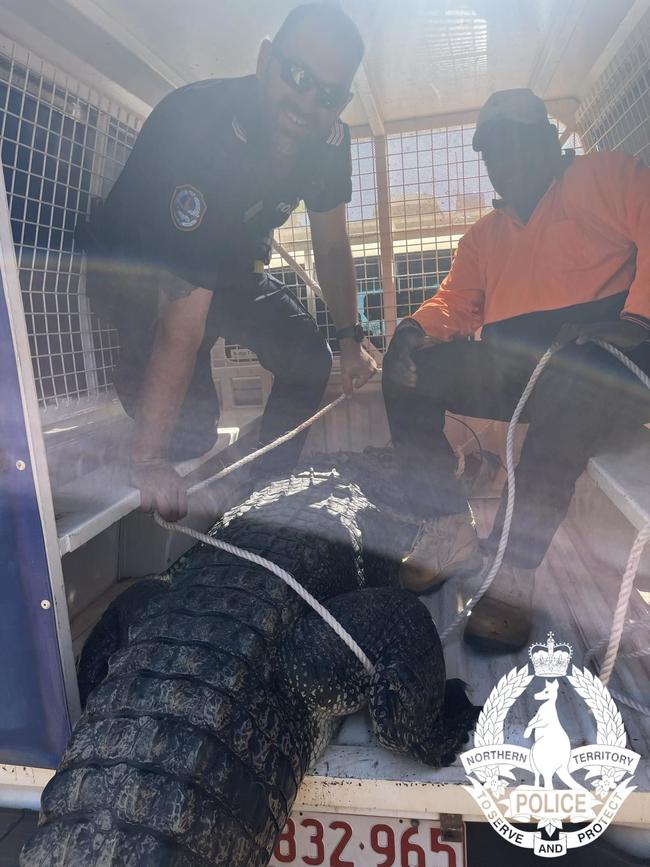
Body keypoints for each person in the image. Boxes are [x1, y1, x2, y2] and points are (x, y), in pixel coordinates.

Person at [80, 4, 376, 522]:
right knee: (190, 433)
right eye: (298, 75)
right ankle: (132, 366)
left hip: (222, 259)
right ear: (266, 61)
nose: (307, 102)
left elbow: (330, 245)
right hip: (139, 266)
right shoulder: (204, 130)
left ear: (341, 101)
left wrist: (350, 341)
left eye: (327, 94)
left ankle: (264, 491)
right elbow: (183, 324)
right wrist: (149, 460)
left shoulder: (330, 141)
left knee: (309, 356)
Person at [382, 89, 650, 652]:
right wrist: (413, 330)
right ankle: (449, 527)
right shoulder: (484, 235)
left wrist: (638, 319)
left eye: (520, 143)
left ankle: (512, 567)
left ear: (551, 142)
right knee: (405, 370)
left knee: (580, 378)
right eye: (493, 150)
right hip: (521, 372)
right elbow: (455, 302)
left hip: (611, 372)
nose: (506, 160)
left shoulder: (607, 176)